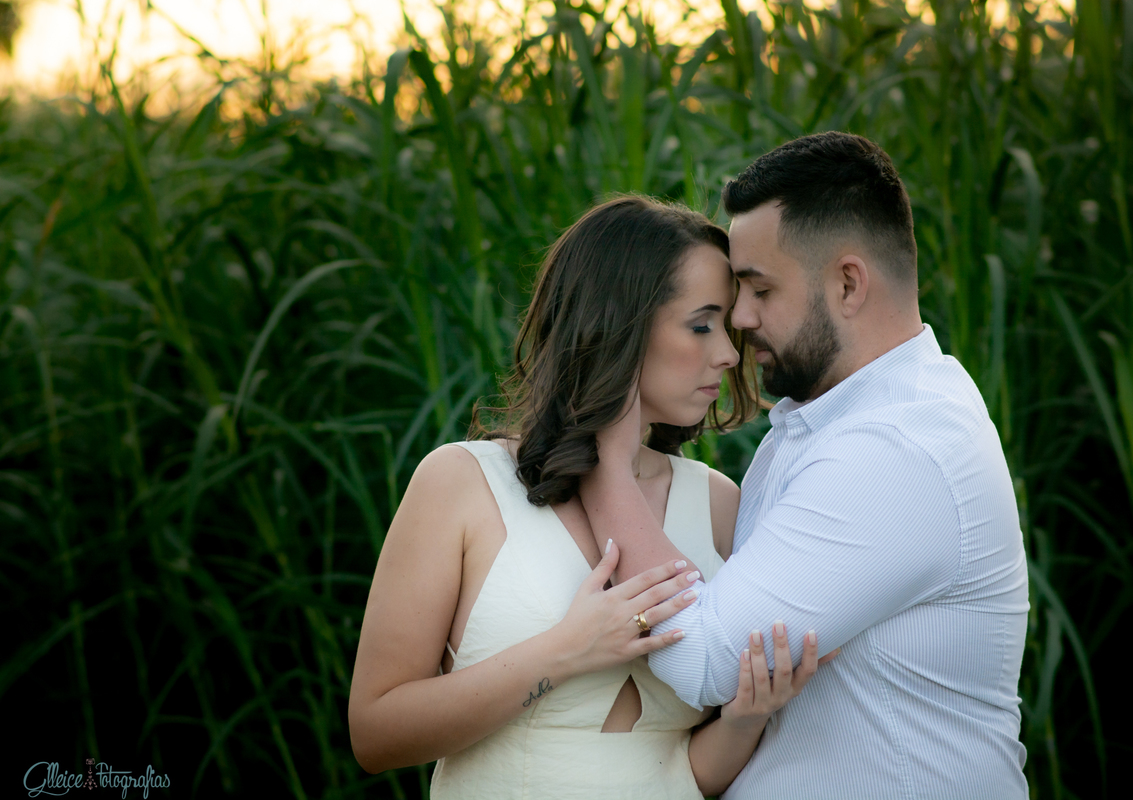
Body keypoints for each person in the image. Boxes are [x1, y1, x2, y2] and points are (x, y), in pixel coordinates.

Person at [582, 133, 1030, 798]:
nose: (740, 317)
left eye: (759, 288)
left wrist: (603, 458)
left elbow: (705, 660)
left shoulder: (896, 448)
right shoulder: (823, 422)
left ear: (848, 283)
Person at [348, 196, 835, 799]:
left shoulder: (716, 503)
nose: (730, 354)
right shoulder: (462, 483)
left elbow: (684, 772)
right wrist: (566, 651)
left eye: (728, 329)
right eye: (701, 325)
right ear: (618, 326)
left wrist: (745, 718)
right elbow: (376, 734)